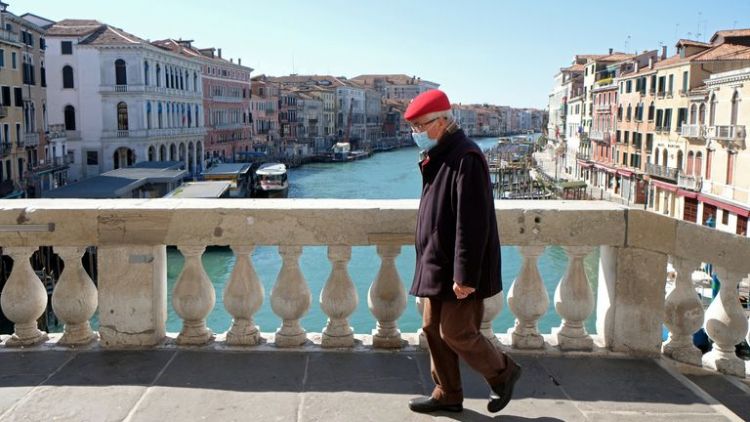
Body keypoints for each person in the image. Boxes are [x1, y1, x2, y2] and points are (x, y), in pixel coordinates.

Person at [405, 89, 521, 414]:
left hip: (457, 269)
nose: (415, 133)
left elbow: (472, 223)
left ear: (441, 122)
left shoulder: (465, 157)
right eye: (412, 127)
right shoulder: (441, 154)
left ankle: (504, 372)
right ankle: (448, 393)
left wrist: (465, 275)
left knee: (456, 332)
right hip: (437, 262)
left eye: (419, 126)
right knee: (431, 329)